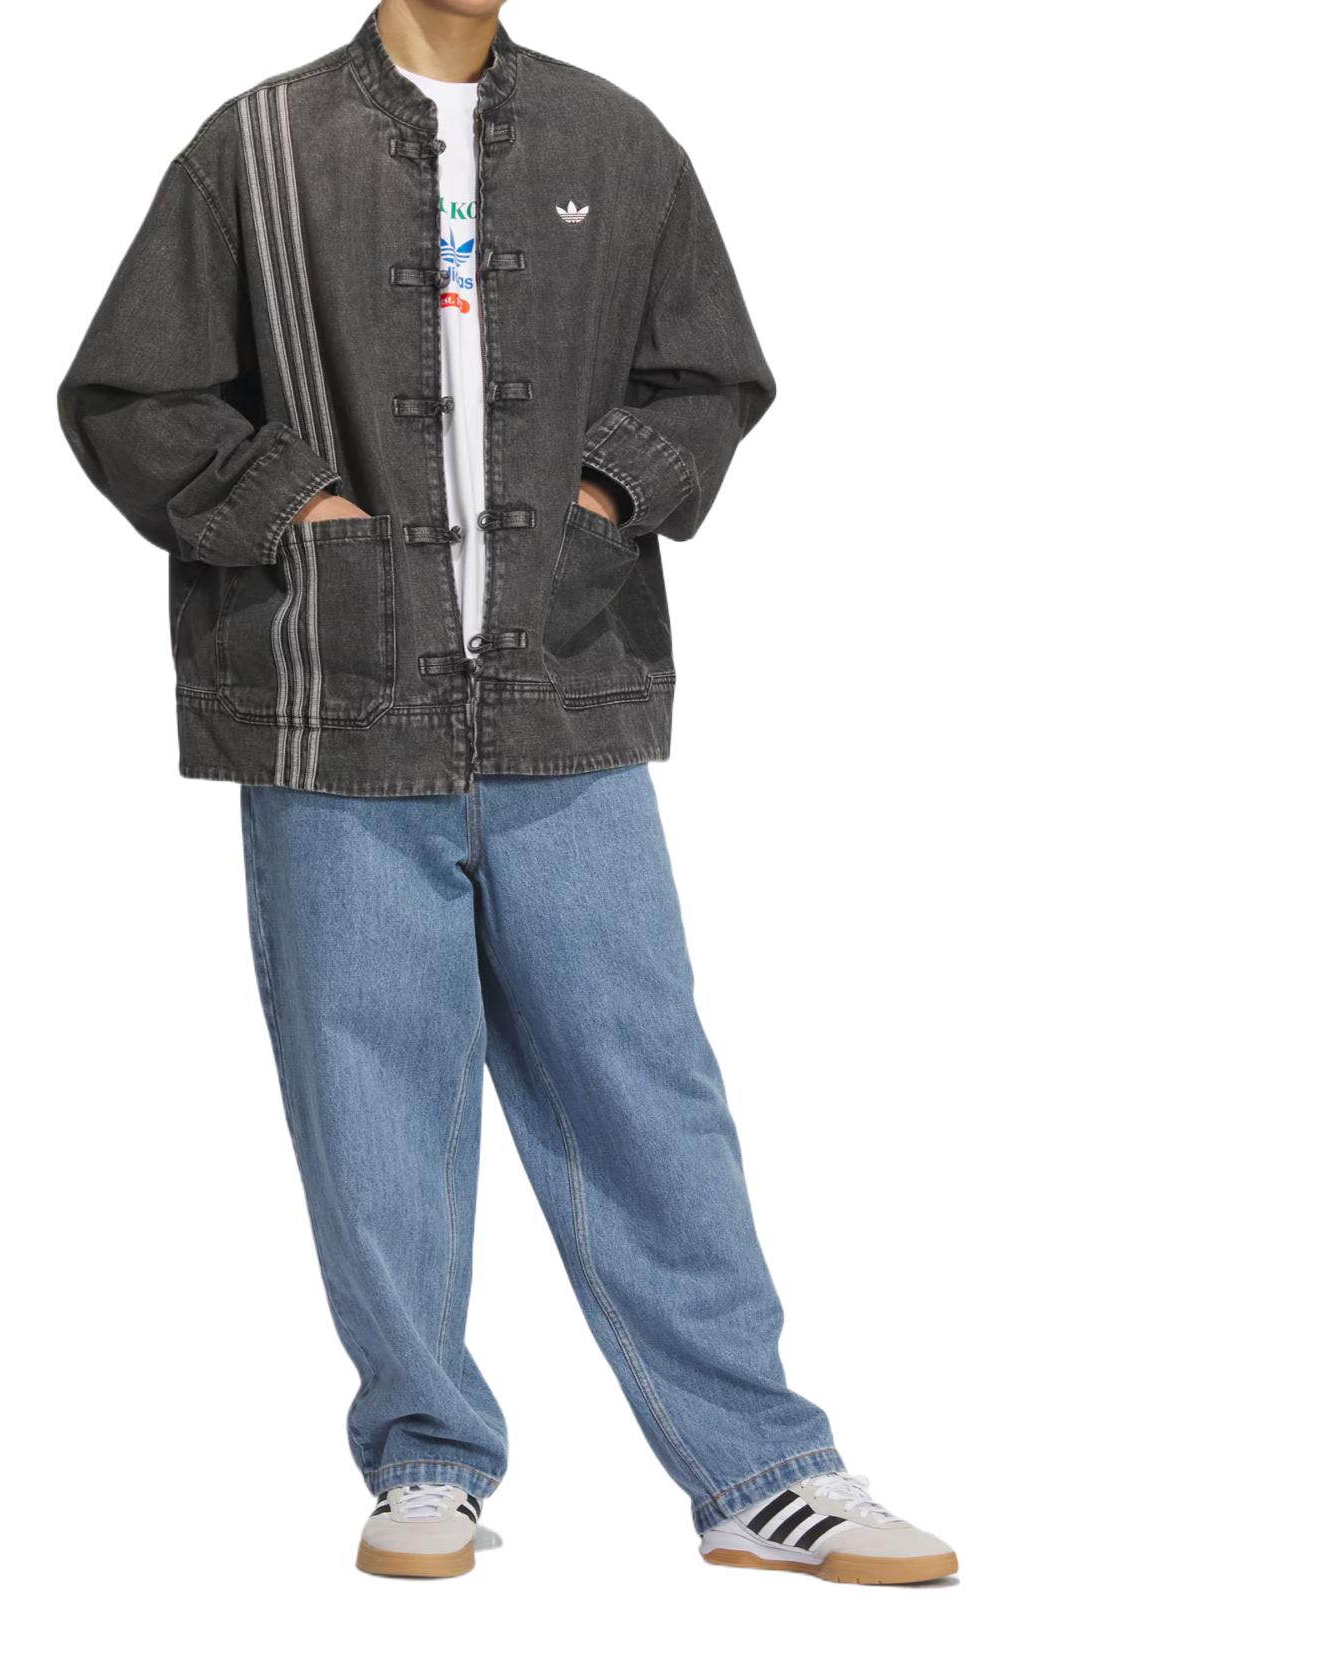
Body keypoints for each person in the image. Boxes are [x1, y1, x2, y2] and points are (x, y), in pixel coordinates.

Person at [59, 0, 956, 1584]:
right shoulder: (256, 146)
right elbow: (135, 392)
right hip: (339, 699)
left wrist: (611, 494)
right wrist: (297, 510)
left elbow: (708, 372)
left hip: (564, 689)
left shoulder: (616, 138)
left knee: (645, 1077)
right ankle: (425, 1457)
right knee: (372, 1095)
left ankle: (760, 1469)